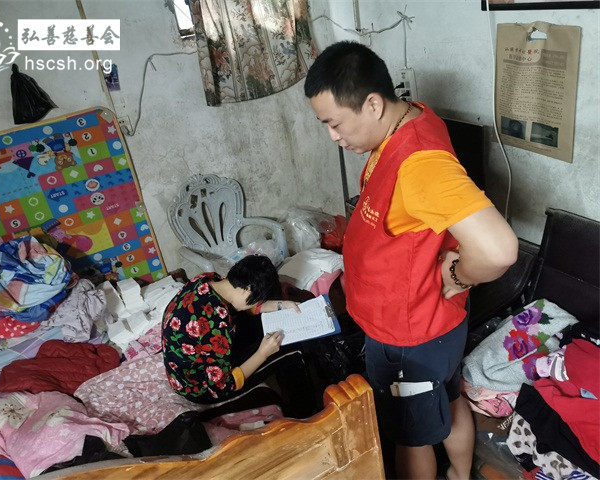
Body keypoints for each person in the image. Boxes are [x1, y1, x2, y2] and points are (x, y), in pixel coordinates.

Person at [304, 41, 518, 480]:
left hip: (409, 335)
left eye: (334, 123)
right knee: (449, 398)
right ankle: (459, 475)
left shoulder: (419, 164)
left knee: (411, 435)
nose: (333, 136)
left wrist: (458, 274)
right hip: (432, 323)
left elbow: (499, 250)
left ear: (373, 104)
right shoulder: (411, 117)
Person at [161, 254, 299, 404]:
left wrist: (281, 305)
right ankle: (304, 409)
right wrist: (263, 353)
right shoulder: (215, 326)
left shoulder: (208, 279)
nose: (257, 304)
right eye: (257, 299)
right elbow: (222, 387)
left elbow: (241, 307)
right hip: (201, 389)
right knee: (290, 347)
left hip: (188, 364)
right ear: (247, 289)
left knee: (258, 321)